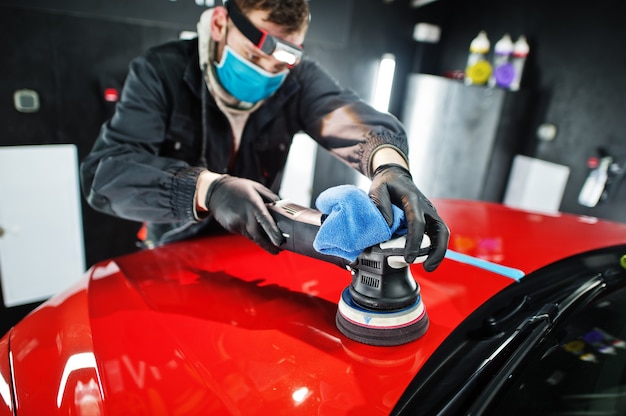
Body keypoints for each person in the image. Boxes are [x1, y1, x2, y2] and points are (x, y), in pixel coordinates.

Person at [80, 0, 449, 271]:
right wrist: (208, 189)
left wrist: (390, 167)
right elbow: (106, 174)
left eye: (280, 65)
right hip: (171, 255)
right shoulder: (159, 72)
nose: (269, 74)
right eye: (256, 59)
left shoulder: (298, 78)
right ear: (220, 24)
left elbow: (352, 118)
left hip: (255, 252)